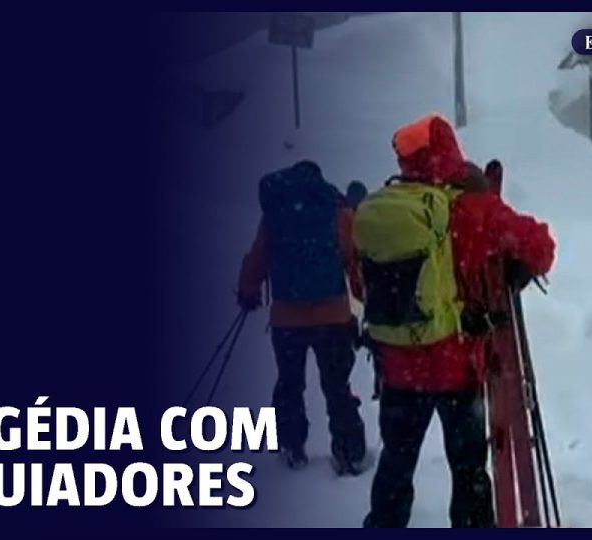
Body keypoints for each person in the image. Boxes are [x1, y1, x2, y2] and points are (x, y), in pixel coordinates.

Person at [358, 115, 555, 527]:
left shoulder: (389, 209)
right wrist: (516, 272)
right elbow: (540, 245)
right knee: (468, 469)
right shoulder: (475, 207)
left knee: (396, 463)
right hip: (458, 364)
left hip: (399, 367)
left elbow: (364, 286)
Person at [238, 160, 367, 474]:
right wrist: (363, 294)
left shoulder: (277, 213)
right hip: (333, 315)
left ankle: (291, 446)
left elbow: (257, 257)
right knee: (337, 385)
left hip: (287, 319)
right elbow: (353, 258)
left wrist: (248, 291)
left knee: (289, 383)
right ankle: (348, 451)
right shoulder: (335, 210)